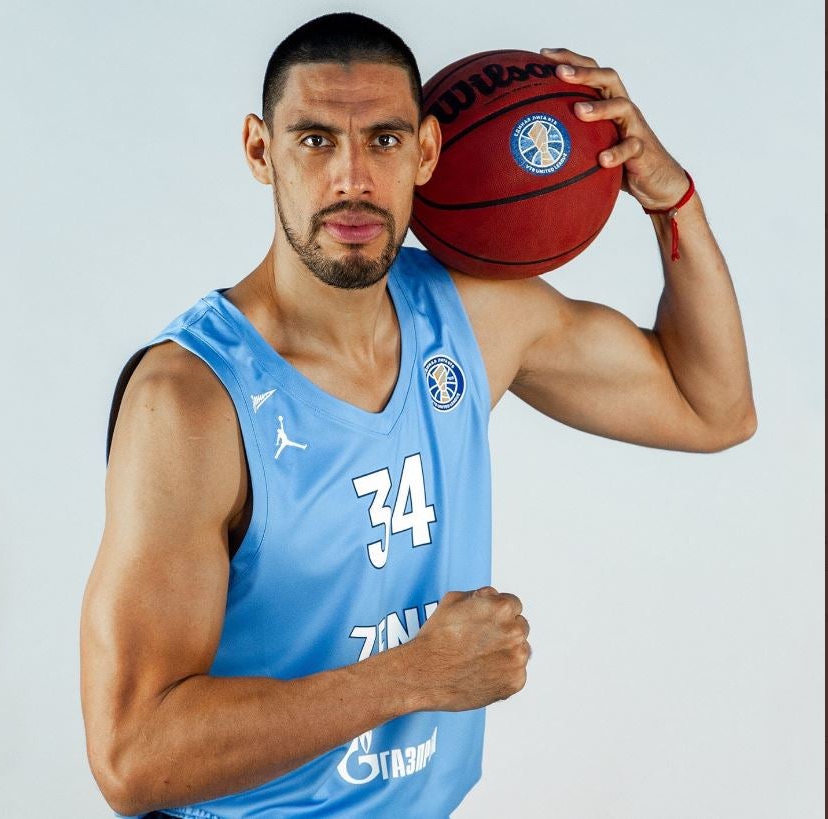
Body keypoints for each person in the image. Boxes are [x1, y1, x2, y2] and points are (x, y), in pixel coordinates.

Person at [80, 12, 756, 819]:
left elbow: (711, 407)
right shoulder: (191, 401)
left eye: (386, 140)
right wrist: (413, 676)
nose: (352, 179)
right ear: (260, 150)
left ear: (428, 151)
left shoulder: (471, 315)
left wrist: (670, 200)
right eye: (315, 140)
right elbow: (131, 756)